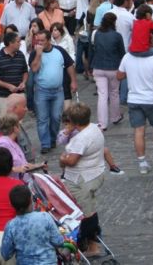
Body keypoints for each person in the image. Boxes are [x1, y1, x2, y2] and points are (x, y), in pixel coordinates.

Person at [58, 104, 107, 257]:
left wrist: (62, 158)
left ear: (74, 122)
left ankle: (82, 242)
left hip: (81, 179)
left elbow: (71, 160)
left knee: (83, 212)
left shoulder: (81, 138)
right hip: (95, 173)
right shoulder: (94, 128)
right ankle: (93, 245)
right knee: (89, 207)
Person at [117, 43, 153, 174]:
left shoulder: (127, 57)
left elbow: (119, 76)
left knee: (139, 130)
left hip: (134, 99)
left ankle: (142, 163)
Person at [29, 29, 77, 154]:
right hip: (41, 91)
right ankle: (45, 144)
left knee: (56, 117)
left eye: (42, 41)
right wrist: (39, 54)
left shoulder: (59, 51)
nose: (39, 43)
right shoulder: (35, 53)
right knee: (42, 118)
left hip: (58, 91)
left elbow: (69, 65)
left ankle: (52, 138)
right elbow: (34, 69)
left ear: (49, 40)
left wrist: (73, 81)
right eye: (37, 40)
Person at [0, 185, 64, 265]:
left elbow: (5, 254)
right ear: (31, 200)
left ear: (11, 205)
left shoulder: (11, 226)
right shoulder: (45, 217)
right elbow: (59, 242)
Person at [90, 13, 125, 130]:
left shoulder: (96, 34)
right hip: (113, 67)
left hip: (98, 67)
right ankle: (115, 116)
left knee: (102, 95)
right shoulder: (117, 36)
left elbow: (92, 51)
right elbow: (122, 54)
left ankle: (102, 123)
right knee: (114, 93)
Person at [0, 32, 28, 116]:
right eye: (18, 42)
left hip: (18, 95)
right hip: (3, 96)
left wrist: (23, 82)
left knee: (18, 123)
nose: (20, 44)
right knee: (4, 122)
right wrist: (8, 86)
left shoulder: (20, 55)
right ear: (10, 43)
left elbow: (25, 71)